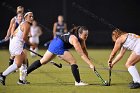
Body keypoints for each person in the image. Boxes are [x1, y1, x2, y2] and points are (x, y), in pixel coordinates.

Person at [27, 26, 95, 86]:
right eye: (85, 35)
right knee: (73, 61)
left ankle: (25, 73)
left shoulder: (82, 39)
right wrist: (90, 64)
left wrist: (88, 60)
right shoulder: (75, 39)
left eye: (87, 35)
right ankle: (78, 82)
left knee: (43, 61)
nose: (86, 37)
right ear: (80, 34)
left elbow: (84, 50)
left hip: (54, 43)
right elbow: (81, 54)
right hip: (58, 45)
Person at [0, 12, 35, 85]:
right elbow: (24, 38)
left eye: (32, 16)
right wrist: (31, 45)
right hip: (16, 45)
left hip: (16, 43)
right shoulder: (26, 25)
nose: (31, 18)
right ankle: (2, 75)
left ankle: (22, 80)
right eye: (30, 16)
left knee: (24, 60)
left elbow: (23, 37)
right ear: (25, 18)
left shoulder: (25, 24)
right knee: (18, 64)